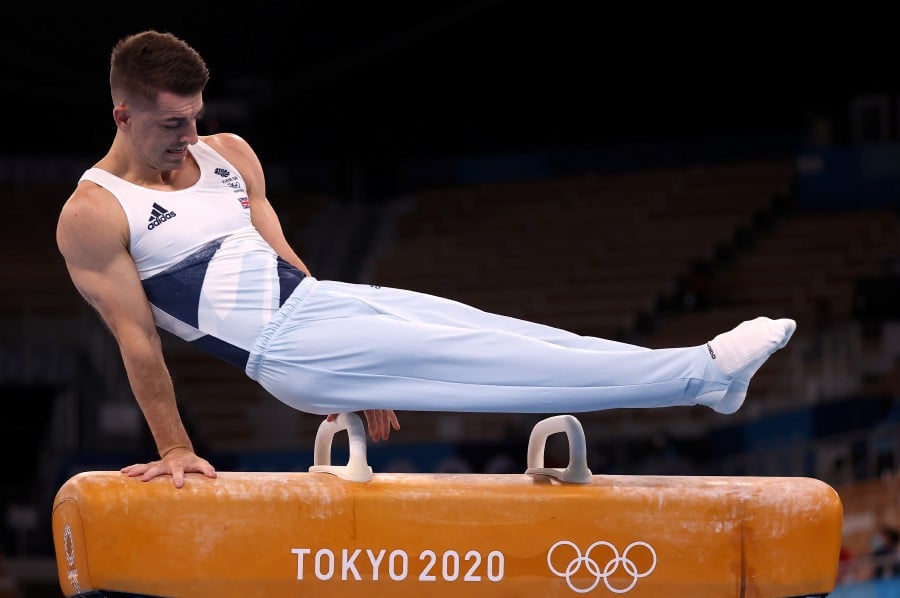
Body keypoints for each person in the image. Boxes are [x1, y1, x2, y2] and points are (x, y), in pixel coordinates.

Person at [56, 30, 797, 489]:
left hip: (320, 311)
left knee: (501, 330)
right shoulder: (94, 213)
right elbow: (138, 339)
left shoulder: (228, 154)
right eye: (171, 123)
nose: (189, 135)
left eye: (196, 117)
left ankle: (708, 383)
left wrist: (365, 372)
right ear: (123, 115)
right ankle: (703, 374)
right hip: (283, 350)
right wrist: (176, 448)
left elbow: (282, 257)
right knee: (495, 362)